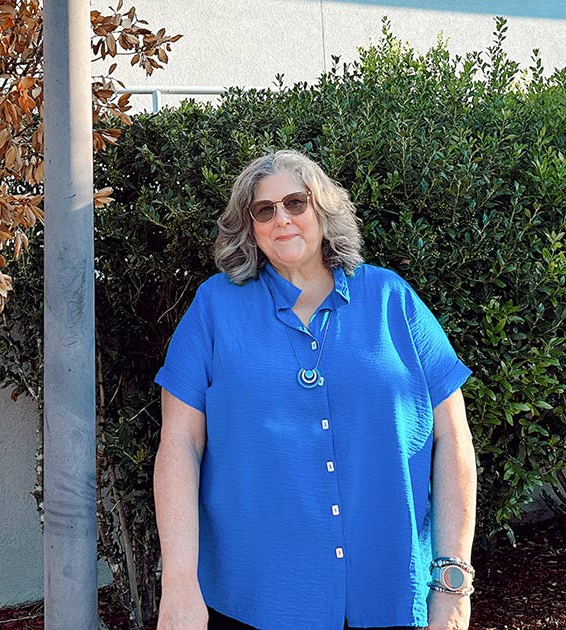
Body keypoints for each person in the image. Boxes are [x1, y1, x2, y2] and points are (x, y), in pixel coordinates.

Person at [152, 150, 478, 630]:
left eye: (295, 203)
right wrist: (179, 582)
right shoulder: (213, 308)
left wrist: (452, 584)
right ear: (251, 226)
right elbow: (179, 444)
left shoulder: (393, 299)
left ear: (323, 210)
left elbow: (453, 441)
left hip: (389, 589)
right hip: (256, 599)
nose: (281, 219)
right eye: (264, 210)